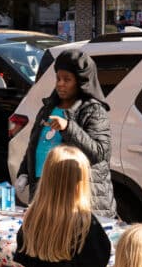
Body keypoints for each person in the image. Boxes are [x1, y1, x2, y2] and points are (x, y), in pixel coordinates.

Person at [16, 49, 116, 218]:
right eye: (58, 78)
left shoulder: (93, 110)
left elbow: (100, 152)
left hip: (77, 197)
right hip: (43, 191)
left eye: (67, 80)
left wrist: (68, 127)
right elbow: (35, 144)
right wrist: (24, 171)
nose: (60, 84)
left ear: (81, 82)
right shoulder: (48, 107)